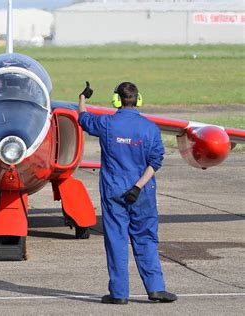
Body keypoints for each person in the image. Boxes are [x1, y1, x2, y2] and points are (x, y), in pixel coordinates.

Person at [77, 82, 177, 304]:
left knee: (116, 240)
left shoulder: (106, 123)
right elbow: (155, 162)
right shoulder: (150, 127)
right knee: (147, 239)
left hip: (114, 191)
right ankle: (156, 288)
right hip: (142, 192)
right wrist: (138, 187)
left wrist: (83, 98)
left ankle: (119, 294)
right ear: (138, 100)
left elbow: (83, 119)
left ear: (116, 100)